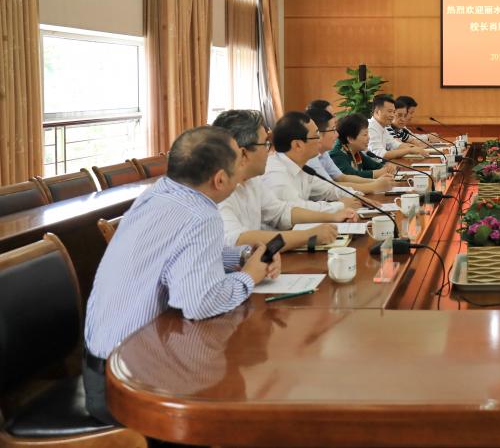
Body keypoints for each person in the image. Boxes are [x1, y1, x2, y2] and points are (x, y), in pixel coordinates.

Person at [83, 126, 281, 424]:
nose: (244, 163)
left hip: (99, 362)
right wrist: (250, 276)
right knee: (235, 396)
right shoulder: (202, 215)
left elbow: (179, 259)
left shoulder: (159, 193)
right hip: (126, 383)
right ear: (220, 179)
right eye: (239, 159)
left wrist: (241, 258)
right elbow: (199, 303)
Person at [213, 109, 357, 249]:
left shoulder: (252, 181)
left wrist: (333, 217)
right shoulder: (218, 190)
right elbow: (236, 241)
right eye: (265, 144)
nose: (270, 151)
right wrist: (308, 236)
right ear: (243, 153)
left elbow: (281, 212)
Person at [261, 111, 360, 211]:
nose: (320, 140)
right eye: (316, 135)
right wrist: (340, 205)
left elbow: (328, 190)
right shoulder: (276, 173)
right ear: (297, 145)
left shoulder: (301, 166)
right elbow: (297, 210)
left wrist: (357, 196)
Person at [305, 105, 396, 192]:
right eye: (333, 130)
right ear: (318, 134)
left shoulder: (324, 154)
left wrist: (376, 181)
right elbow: (330, 187)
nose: (337, 135)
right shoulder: (332, 154)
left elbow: (342, 177)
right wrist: (374, 185)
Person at [331, 113, 395, 178]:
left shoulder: (355, 149)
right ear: (350, 139)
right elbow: (350, 175)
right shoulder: (337, 154)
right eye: (365, 135)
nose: (368, 138)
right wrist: (376, 173)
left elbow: (373, 165)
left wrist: (387, 168)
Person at [367, 94, 425, 160]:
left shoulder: (382, 127)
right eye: (389, 111)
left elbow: (395, 144)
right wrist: (409, 150)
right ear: (377, 112)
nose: (392, 115)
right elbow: (382, 155)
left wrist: (414, 148)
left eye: (393, 112)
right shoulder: (370, 127)